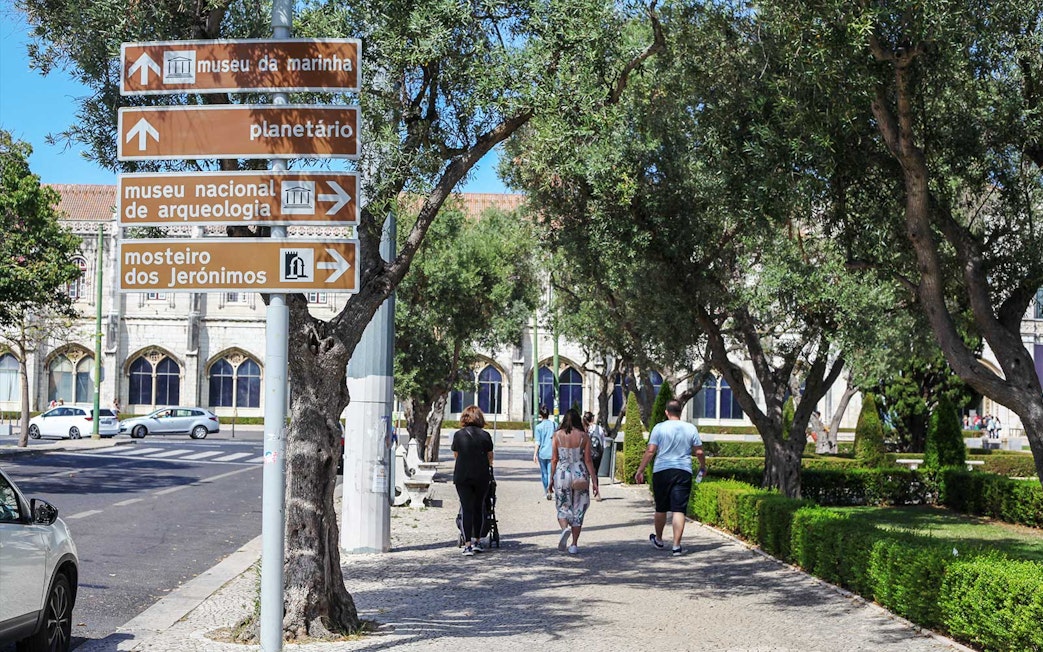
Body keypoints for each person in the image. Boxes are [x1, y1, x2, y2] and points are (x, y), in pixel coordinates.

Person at [635, 399, 706, 557]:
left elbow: (651, 450)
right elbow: (699, 452)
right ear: (680, 412)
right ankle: (676, 546)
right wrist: (703, 466)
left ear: (666, 412)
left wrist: (640, 469)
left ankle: (659, 539)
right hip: (683, 470)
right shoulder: (690, 428)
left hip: (662, 470)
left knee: (661, 507)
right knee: (679, 509)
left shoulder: (659, 428)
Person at [549, 407, 599, 554]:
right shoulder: (584, 436)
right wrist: (595, 482)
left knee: (563, 505)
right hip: (579, 472)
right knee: (579, 508)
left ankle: (565, 529)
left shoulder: (557, 435)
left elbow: (553, 459)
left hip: (562, 472)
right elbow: (588, 460)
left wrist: (551, 479)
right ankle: (574, 544)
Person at [452, 405, 494, 556]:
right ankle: (477, 541)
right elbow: (490, 457)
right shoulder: (485, 435)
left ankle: (467, 544)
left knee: (466, 508)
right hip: (481, 476)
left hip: (462, 476)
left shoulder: (458, 435)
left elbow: (456, 454)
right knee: (479, 507)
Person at [533, 405, 555, 500]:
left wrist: (535, 454)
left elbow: (537, 442)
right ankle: (550, 489)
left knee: (544, 473)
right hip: (553, 452)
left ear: (540, 415)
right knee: (551, 472)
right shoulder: (555, 425)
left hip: (542, 452)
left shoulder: (538, 427)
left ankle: (546, 491)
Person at [583, 411, 606, 499]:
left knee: (585, 473)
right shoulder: (598, 428)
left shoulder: (584, 428)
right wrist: (602, 451)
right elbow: (603, 441)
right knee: (595, 473)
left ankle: (585, 494)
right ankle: (596, 492)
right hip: (597, 454)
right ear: (592, 418)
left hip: (585, 454)